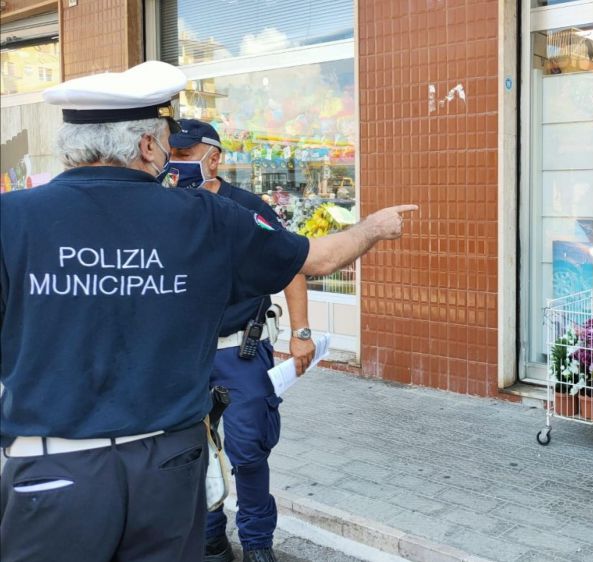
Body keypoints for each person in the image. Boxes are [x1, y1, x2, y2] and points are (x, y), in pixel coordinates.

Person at [0, 61, 416, 562]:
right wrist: (370, 228)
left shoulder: (11, 220)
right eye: (166, 143)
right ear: (147, 146)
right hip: (168, 466)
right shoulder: (206, 219)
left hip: (51, 472)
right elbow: (314, 258)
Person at [166, 119, 313, 562]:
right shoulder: (161, 206)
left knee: (248, 453)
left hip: (240, 351)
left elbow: (294, 263)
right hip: (181, 357)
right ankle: (210, 536)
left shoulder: (247, 207)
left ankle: (256, 543)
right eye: (172, 154)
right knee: (192, 456)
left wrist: (301, 334)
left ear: (215, 157)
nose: (177, 163)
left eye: (187, 156)